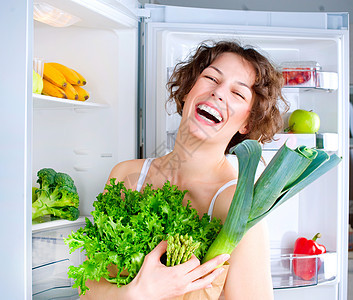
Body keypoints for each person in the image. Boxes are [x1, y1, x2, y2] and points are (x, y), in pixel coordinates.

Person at [81, 40, 288, 299]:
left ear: (247, 123)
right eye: (211, 78)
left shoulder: (237, 207)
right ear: (189, 89)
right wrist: (139, 293)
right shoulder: (126, 176)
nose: (219, 93)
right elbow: (88, 290)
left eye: (238, 93)